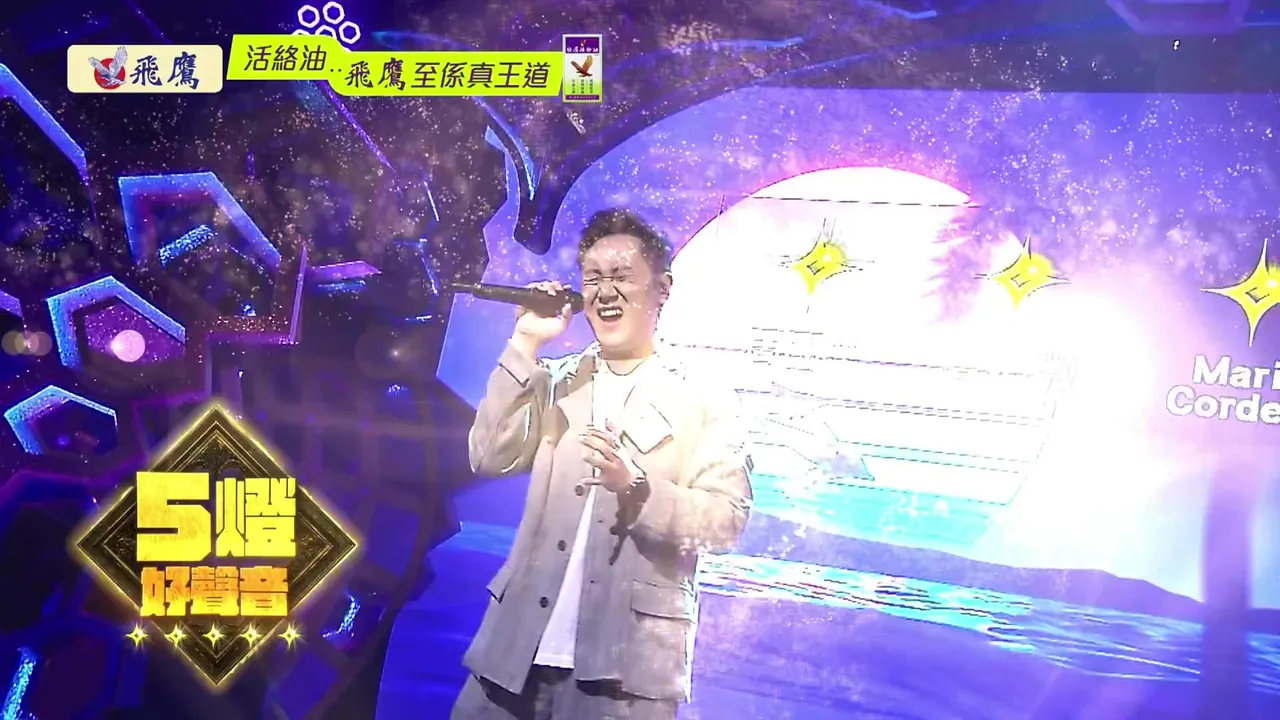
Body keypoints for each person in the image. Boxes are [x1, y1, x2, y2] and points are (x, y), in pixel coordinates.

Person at [452, 208, 754, 719]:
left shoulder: (704, 398)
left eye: (621, 277)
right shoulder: (556, 380)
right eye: (592, 278)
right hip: (513, 654)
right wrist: (525, 343)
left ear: (662, 289)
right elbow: (487, 457)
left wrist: (636, 488)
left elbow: (725, 523)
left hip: (626, 674)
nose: (604, 292)